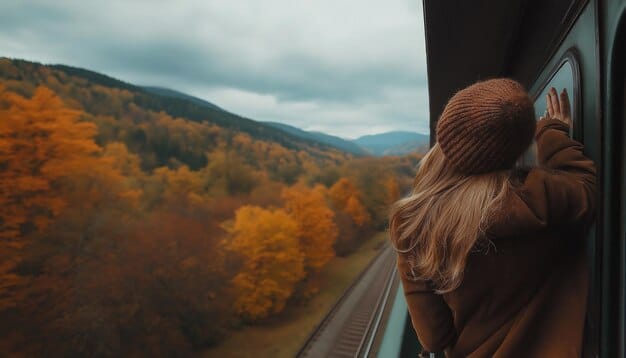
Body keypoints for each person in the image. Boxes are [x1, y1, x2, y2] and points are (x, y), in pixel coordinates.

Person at [389, 79, 596, 357]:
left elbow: (435, 338)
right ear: (517, 151)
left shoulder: (414, 224)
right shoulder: (544, 198)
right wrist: (553, 132)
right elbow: (585, 186)